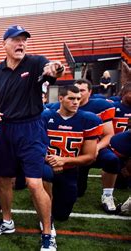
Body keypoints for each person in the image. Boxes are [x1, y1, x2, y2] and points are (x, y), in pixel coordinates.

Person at [0, 25, 63, 250]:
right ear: (4, 44)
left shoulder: (36, 62)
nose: (21, 44)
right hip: (4, 129)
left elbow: (52, 71)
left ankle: (48, 233)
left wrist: (55, 68)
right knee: (2, 179)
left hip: (30, 129)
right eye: (15, 40)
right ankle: (7, 221)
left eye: (24, 40)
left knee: (34, 182)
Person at [41, 86, 102, 222]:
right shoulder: (45, 117)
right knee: (45, 175)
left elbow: (90, 156)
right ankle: (43, 197)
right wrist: (51, 161)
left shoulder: (88, 120)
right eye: (71, 98)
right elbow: (35, 146)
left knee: (62, 215)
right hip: (46, 165)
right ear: (61, 99)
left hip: (70, 168)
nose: (76, 102)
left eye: (78, 99)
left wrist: (64, 160)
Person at [72, 79, 120, 213]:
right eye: (76, 90)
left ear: (90, 92)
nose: (78, 94)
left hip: (95, 147)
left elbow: (109, 134)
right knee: (77, 192)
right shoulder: (65, 105)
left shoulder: (99, 106)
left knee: (112, 160)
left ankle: (108, 195)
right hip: (74, 152)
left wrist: (96, 148)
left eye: (82, 90)